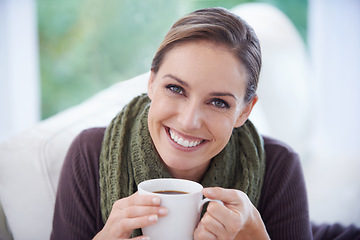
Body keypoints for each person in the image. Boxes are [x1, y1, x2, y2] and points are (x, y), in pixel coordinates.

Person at [51, 7, 313, 240]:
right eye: (175, 88)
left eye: (218, 102)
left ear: (245, 111)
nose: (188, 121)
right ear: (151, 81)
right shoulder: (89, 153)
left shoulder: (279, 166)